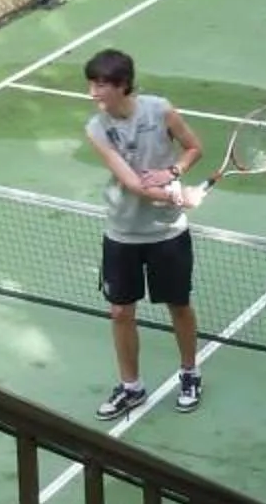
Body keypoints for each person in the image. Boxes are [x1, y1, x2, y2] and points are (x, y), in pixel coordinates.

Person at [81, 47, 204, 417]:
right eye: (91, 83)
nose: (93, 92)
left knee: (178, 306)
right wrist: (178, 196)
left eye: (101, 84)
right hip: (122, 232)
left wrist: (175, 174)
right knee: (120, 311)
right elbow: (133, 184)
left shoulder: (159, 109)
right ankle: (131, 387)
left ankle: (189, 373)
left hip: (167, 234)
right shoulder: (96, 128)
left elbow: (194, 148)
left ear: (123, 85)